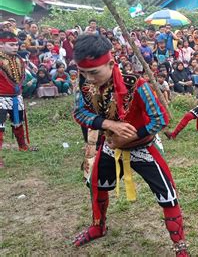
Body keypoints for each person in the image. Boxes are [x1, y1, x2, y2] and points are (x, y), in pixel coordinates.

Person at [71, 34, 188, 256]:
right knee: (97, 186)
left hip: (142, 147)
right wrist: (109, 125)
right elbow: (79, 113)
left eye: (93, 72)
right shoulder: (86, 87)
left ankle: (180, 248)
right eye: (83, 73)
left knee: (168, 195)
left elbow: (161, 118)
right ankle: (99, 226)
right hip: (110, 145)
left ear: (110, 63)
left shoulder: (138, 85)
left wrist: (131, 137)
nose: (88, 78)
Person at [0, 31, 35, 169]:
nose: (15, 47)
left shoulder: (19, 59)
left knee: (18, 122)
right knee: (0, 127)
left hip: (16, 97)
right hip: (1, 98)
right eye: (11, 44)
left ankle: (22, 146)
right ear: (1, 44)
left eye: (16, 44)